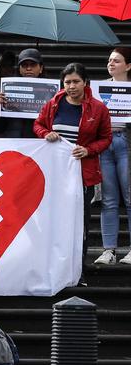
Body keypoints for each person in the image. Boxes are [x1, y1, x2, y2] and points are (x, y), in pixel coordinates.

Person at [35, 62, 112, 264]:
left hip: (83, 175)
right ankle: (53, 265)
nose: (71, 86)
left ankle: (78, 268)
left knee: (80, 224)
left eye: (76, 81)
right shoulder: (53, 103)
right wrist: (46, 133)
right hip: (55, 173)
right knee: (55, 221)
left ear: (85, 82)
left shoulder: (99, 108)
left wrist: (88, 150)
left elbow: (106, 138)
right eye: (67, 82)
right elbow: (38, 124)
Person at [96, 47, 131, 265]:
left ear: (128, 65)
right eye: (109, 60)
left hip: (127, 142)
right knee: (108, 200)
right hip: (105, 143)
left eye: (117, 61)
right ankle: (108, 250)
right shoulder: (99, 88)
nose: (111, 64)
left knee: (130, 198)